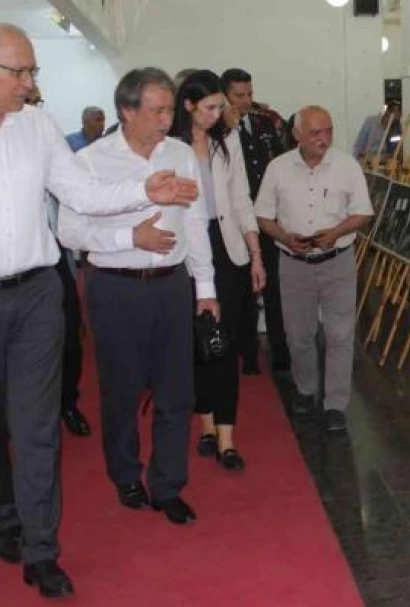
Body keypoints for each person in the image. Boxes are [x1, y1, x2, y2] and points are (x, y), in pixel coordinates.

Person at [0, 24, 198, 598]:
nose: (31, 85)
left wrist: (143, 193)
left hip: (35, 295)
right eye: (22, 73)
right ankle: (4, 517)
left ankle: (40, 547)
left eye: (34, 73)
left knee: (36, 429)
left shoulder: (38, 129)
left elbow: (80, 193)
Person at [58, 67, 215, 527]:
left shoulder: (183, 155)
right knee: (121, 393)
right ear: (126, 110)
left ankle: (168, 486)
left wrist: (205, 288)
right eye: (157, 110)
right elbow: (69, 231)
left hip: (171, 286)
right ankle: (126, 474)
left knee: (176, 394)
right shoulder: (90, 161)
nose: (168, 119)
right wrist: (131, 237)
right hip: (114, 289)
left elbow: (195, 224)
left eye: (170, 109)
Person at [256, 105, 373, 432]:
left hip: (338, 262)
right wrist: (286, 238)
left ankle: (336, 404)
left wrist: (335, 233)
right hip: (293, 265)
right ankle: (305, 389)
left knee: (340, 335)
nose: (323, 139)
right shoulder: (277, 169)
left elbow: (363, 212)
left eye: (328, 131)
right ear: (296, 135)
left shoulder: (347, 166)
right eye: (315, 133)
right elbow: (263, 216)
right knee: (299, 335)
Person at [171, 70, 266, 471]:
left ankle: (226, 435)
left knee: (224, 343)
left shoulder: (227, 141)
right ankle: (205, 424)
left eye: (219, 107)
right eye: (209, 107)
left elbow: (242, 199)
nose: (217, 114)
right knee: (197, 343)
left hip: (227, 250)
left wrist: (256, 253)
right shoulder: (169, 146)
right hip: (184, 254)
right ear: (188, 106)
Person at [221, 68, 289, 375]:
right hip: (236, 222)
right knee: (243, 290)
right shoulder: (217, 131)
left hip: (267, 217)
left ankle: (280, 350)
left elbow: (280, 164)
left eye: (249, 94)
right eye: (239, 95)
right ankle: (246, 351)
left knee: (274, 286)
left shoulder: (264, 123)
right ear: (225, 96)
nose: (247, 100)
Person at [36, 94, 90, 438]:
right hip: (15, 260)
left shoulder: (51, 146)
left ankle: (68, 402)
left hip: (55, 253)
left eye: (39, 101)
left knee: (69, 336)